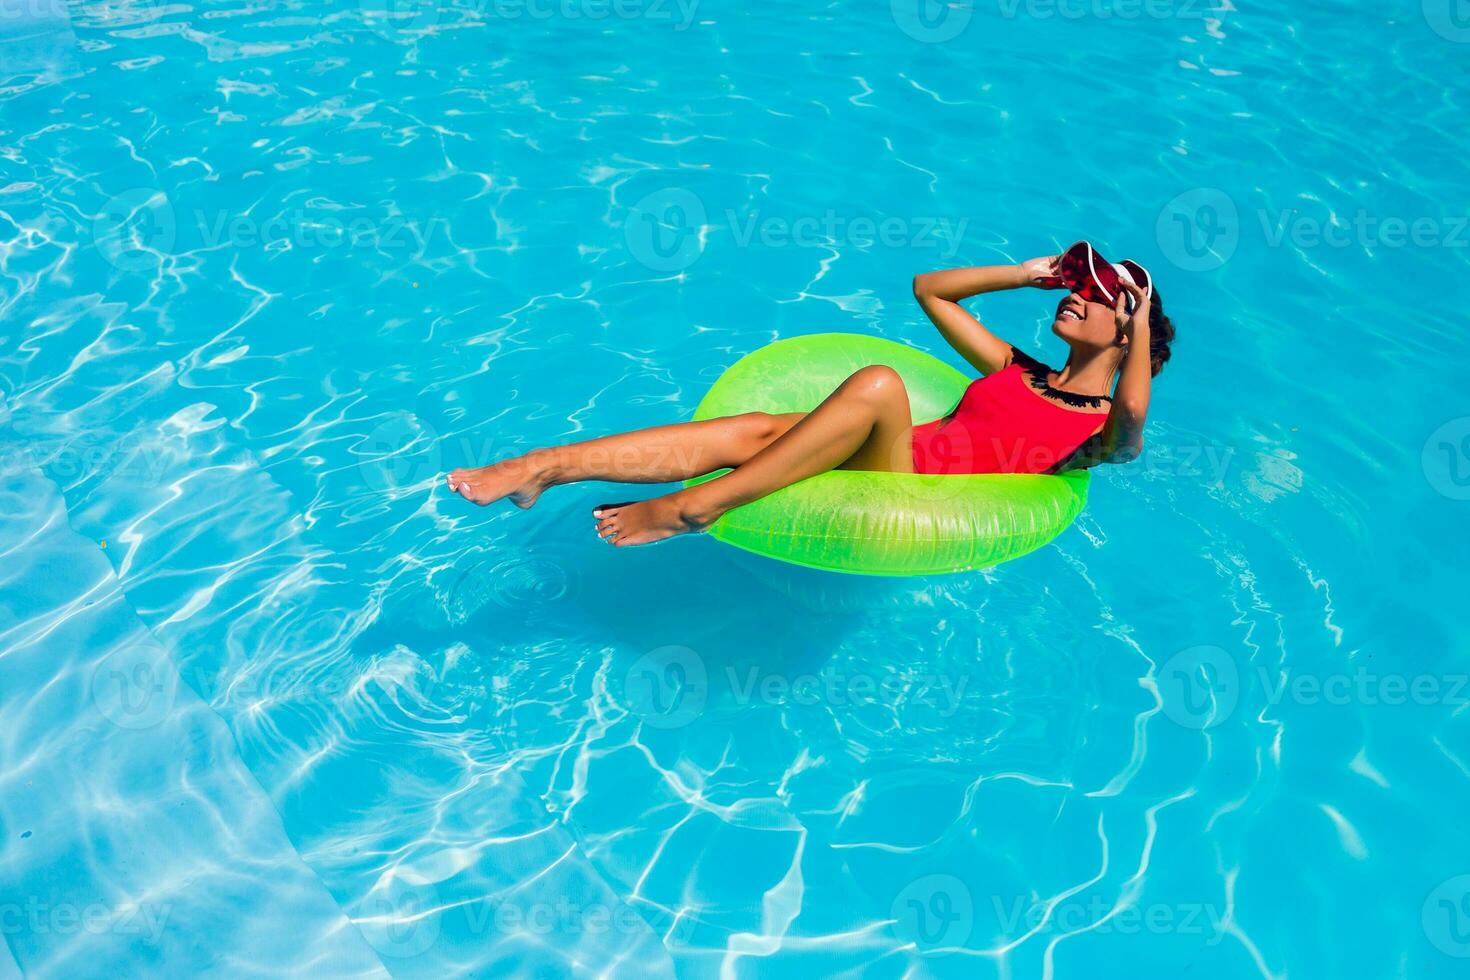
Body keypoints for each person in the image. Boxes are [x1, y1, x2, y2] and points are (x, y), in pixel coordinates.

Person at [446, 241, 1175, 547]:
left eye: (1098, 295)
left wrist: (1139, 318)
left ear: (1125, 335)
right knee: (760, 427)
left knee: (881, 384)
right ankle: (543, 466)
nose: (1081, 294)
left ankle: (696, 506)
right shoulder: (1021, 369)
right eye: (1081, 284)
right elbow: (931, 292)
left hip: (910, 493)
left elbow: (1135, 413)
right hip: (897, 452)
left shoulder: (1099, 433)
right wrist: (1030, 272)